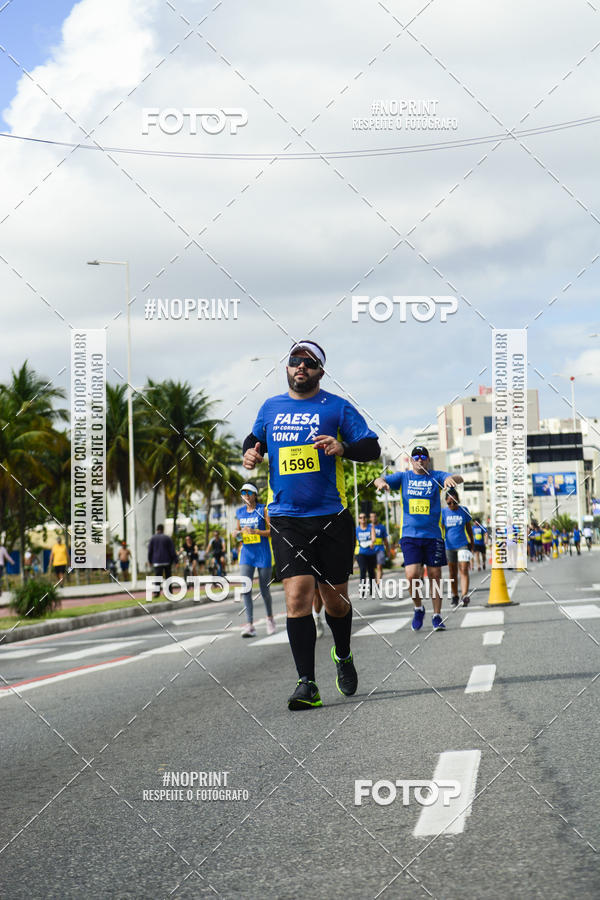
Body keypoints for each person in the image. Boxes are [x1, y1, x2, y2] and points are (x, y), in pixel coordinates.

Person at [242, 338, 380, 710]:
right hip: (287, 518)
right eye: (294, 361)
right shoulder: (271, 407)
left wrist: (343, 447)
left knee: (335, 602)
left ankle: (344, 653)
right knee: (298, 595)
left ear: (320, 370)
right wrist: (251, 453)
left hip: (331, 517)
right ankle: (307, 684)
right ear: (287, 368)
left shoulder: (336, 408)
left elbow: (372, 447)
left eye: (309, 362)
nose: (300, 367)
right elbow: (254, 439)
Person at [374, 446, 463, 631]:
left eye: (423, 457)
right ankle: (418, 607)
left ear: (428, 460)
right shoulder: (403, 477)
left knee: (435, 576)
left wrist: (450, 479)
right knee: (412, 575)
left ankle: (437, 616)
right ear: (412, 460)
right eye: (416, 457)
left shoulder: (435, 476)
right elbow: (378, 479)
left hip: (433, 536)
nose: (420, 460)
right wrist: (381, 483)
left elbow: (459, 478)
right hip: (410, 535)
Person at [234, 483, 276, 638]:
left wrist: (256, 531)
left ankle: (270, 618)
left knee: (264, 590)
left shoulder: (263, 509)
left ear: (255, 494)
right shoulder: (239, 512)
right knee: (246, 589)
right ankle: (250, 625)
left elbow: (272, 532)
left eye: (248, 492)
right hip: (246, 554)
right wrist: (236, 534)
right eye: (243, 492)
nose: (245, 495)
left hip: (263, 553)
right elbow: (239, 534)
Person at [442, 488, 474, 606]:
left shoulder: (464, 510)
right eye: (449, 502)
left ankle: (464, 595)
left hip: (463, 544)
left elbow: (469, 528)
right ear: (446, 502)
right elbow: (441, 529)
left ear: (458, 500)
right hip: (449, 546)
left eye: (454, 502)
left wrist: (472, 542)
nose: (452, 505)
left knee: (464, 569)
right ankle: (455, 596)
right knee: (452, 572)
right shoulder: (443, 513)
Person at [147, 524, 177, 598]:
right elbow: (172, 550)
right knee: (168, 577)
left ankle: (156, 593)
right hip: (167, 561)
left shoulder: (153, 538)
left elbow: (150, 551)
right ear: (163, 530)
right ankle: (169, 593)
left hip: (157, 561)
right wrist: (176, 560)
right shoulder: (167, 538)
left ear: (157, 530)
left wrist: (150, 561)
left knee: (158, 578)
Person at [356, 512, 377, 597]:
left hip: (371, 553)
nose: (363, 519)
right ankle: (362, 591)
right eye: (361, 517)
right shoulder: (357, 529)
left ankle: (373, 590)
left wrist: (372, 542)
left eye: (364, 517)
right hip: (361, 553)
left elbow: (373, 537)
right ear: (358, 519)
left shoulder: (370, 527)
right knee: (362, 571)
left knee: (371, 572)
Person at [369, 512, 390, 585]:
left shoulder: (382, 527)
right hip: (371, 550)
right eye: (372, 517)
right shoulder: (368, 527)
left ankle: (378, 583)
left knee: (379, 566)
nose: (374, 518)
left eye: (375, 516)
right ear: (370, 518)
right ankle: (375, 580)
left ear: (377, 517)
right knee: (372, 567)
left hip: (380, 549)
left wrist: (388, 551)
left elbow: (385, 541)